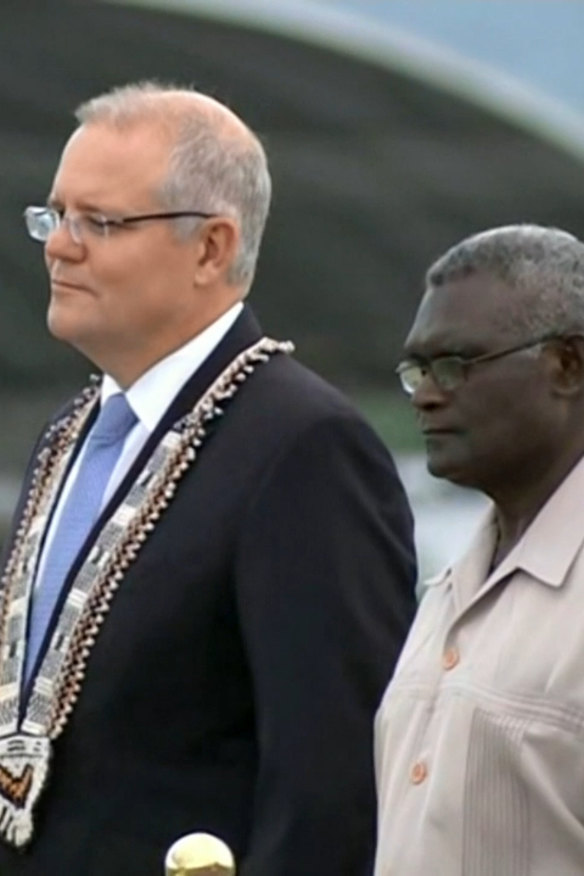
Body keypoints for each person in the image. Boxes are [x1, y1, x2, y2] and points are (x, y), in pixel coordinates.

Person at [0, 82, 416, 876]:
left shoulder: (304, 447)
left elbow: (329, 789)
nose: (58, 245)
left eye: (101, 222)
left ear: (211, 248)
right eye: (54, 215)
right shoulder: (70, 432)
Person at [374, 223, 584, 875]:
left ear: (567, 366)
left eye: (456, 365)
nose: (428, 395)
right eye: (417, 371)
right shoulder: (450, 589)